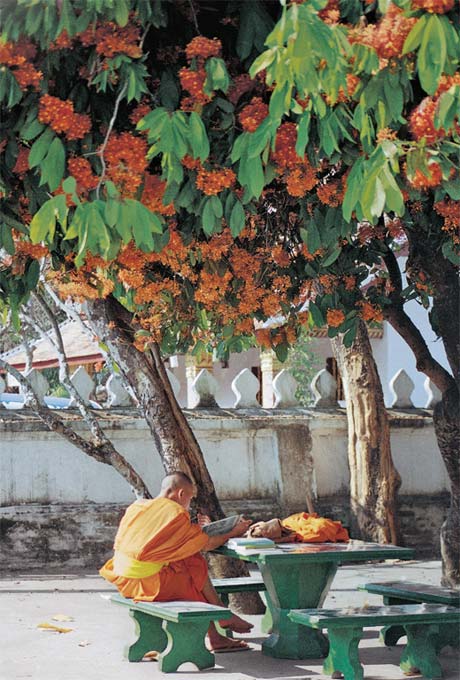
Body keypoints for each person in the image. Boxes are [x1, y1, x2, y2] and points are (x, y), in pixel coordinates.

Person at [100, 471, 254, 652]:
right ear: (181, 494)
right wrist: (232, 532)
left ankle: (217, 631)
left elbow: (167, 545)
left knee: (190, 560)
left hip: (124, 580)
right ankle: (220, 620)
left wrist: (199, 530)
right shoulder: (175, 512)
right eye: (189, 499)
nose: (188, 505)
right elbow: (208, 544)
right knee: (193, 570)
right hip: (147, 584)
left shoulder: (137, 507)